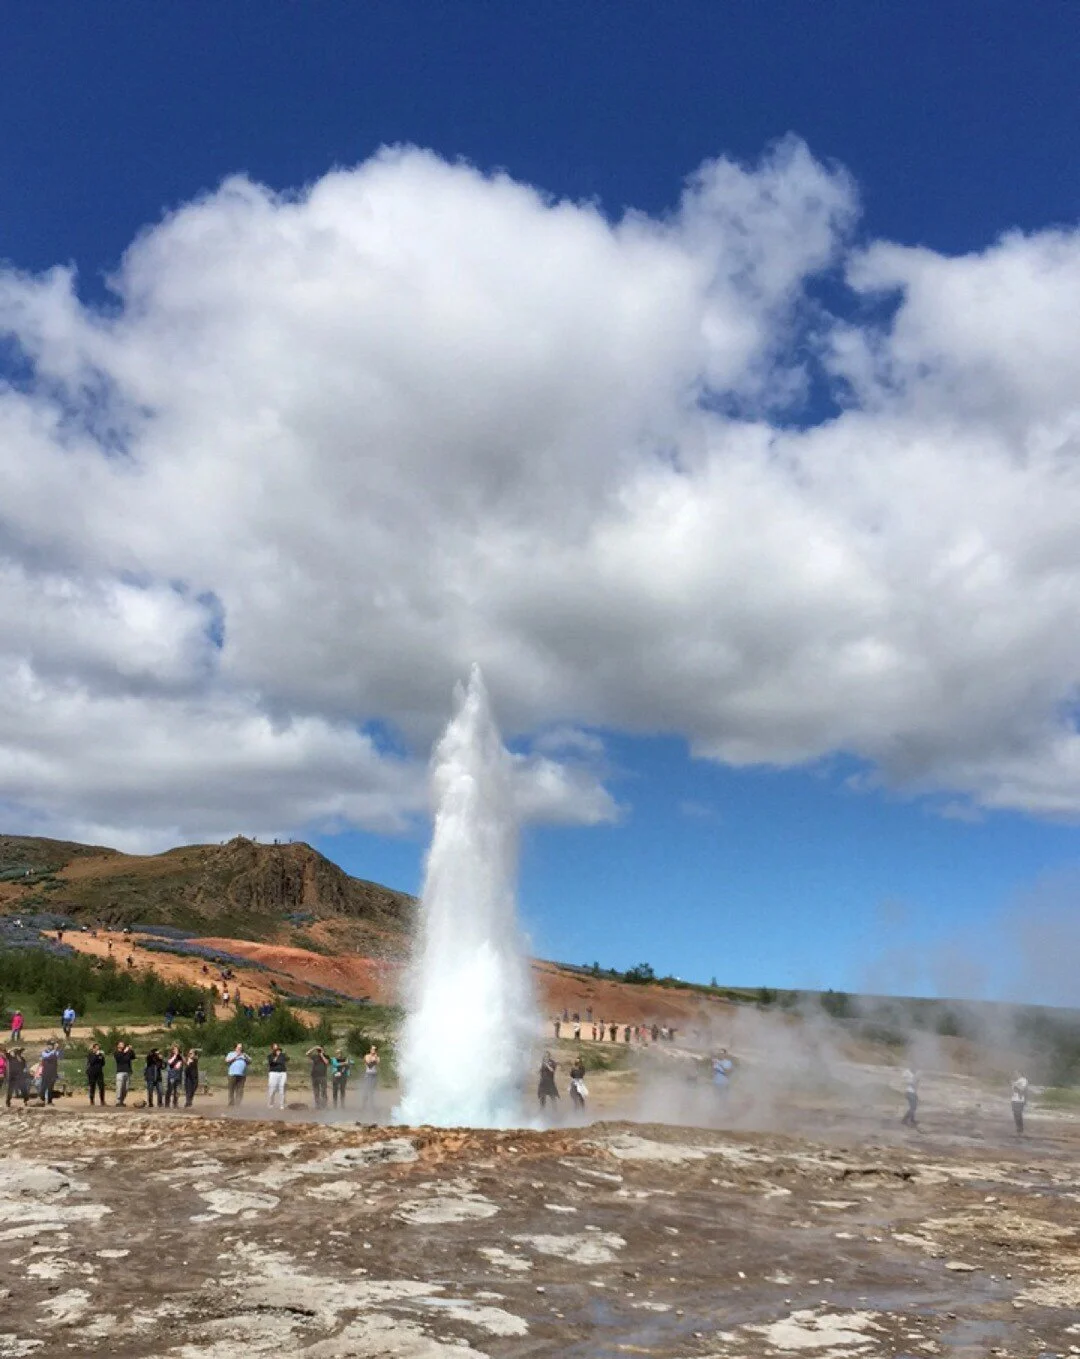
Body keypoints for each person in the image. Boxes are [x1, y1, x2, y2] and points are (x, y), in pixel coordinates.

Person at [267, 1043, 288, 1109]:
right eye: (275, 1048)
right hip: (273, 1073)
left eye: (277, 1048)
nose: (276, 1049)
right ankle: (271, 1103)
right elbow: (271, 1063)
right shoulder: (270, 1056)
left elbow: (287, 1059)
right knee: (272, 1089)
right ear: (272, 1049)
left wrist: (282, 1056)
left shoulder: (283, 1055)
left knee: (282, 1088)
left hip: (282, 1073)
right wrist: (277, 1057)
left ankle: (281, 1105)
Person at [114, 1041, 135, 1106]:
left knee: (125, 1088)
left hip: (127, 1071)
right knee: (119, 1087)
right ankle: (118, 1101)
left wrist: (131, 1050)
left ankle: (122, 1101)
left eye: (123, 1044)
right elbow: (120, 1059)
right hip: (120, 1072)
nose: (123, 1045)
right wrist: (124, 1052)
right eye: (121, 1044)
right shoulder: (117, 1053)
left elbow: (133, 1057)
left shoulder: (127, 1052)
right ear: (118, 1046)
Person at [358, 1046, 377, 1117]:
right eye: (372, 1049)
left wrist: (374, 1059)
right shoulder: (367, 1056)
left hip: (374, 1075)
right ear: (370, 1050)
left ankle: (371, 1107)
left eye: (375, 1049)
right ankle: (364, 1106)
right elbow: (369, 1065)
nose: (374, 1050)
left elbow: (377, 1062)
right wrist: (373, 1059)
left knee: (372, 1091)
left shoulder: (377, 1057)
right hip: (368, 1074)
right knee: (366, 1090)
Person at [1011, 1072, 1029, 1136]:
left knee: (1018, 1114)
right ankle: (1018, 1129)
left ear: (1020, 1073)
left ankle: (1020, 1130)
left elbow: (1022, 1089)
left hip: (1020, 1100)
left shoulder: (1023, 1080)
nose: (1014, 1074)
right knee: (1015, 1115)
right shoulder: (1016, 1081)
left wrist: (1015, 1085)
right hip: (1014, 1099)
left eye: (1016, 1073)